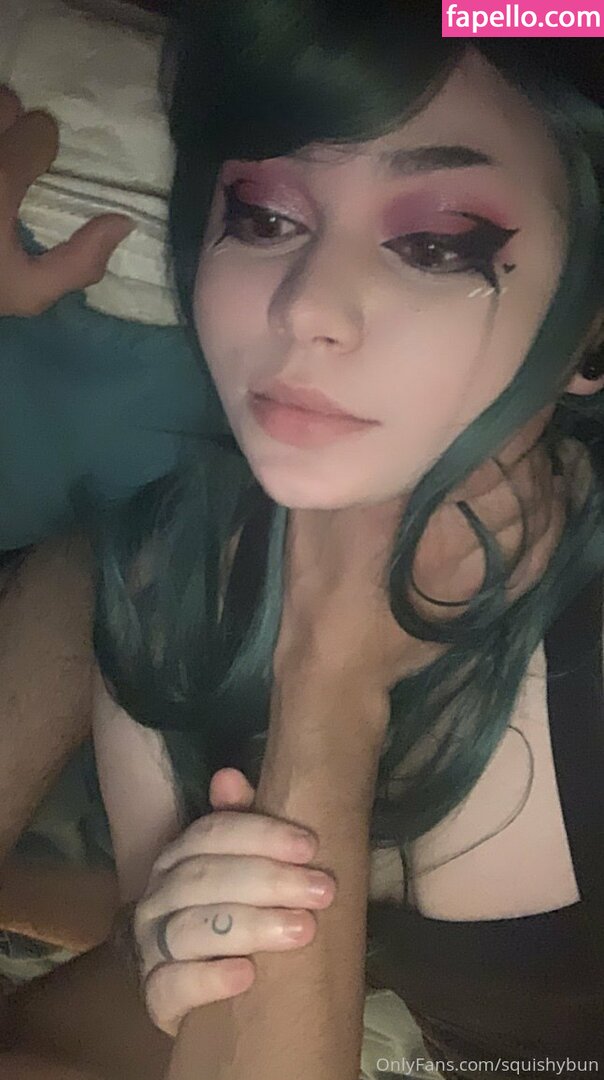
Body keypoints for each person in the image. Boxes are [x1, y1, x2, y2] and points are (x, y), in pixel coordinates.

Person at [1, 3, 604, 1078]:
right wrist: (326, 688)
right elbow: (160, 1022)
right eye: (265, 218)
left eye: (435, 244)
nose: (305, 306)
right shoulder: (158, 594)